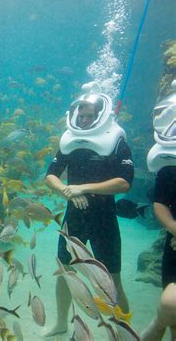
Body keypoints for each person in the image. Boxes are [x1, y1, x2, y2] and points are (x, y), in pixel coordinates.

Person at [44, 82, 134, 336]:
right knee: (65, 272)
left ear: (101, 116)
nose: (83, 120)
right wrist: (66, 191)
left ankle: (124, 331)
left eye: (88, 116)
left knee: (112, 279)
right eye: (80, 115)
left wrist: (83, 188)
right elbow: (51, 175)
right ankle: (61, 322)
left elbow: (124, 182)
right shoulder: (70, 141)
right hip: (74, 215)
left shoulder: (116, 141)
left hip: (104, 218)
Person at [141, 86, 176, 341]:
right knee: (172, 305)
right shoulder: (169, 166)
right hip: (175, 242)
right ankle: (161, 322)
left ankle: (157, 324)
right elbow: (160, 203)